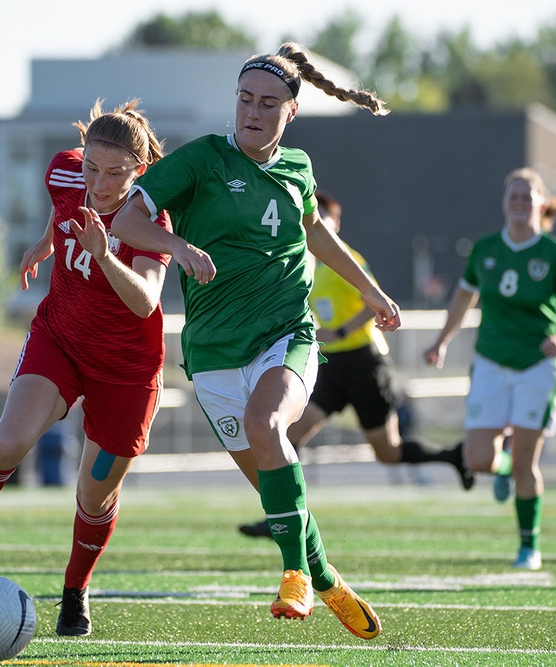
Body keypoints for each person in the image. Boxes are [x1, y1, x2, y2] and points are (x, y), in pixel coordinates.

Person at [111, 43, 398, 640]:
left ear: (291, 111)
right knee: (276, 487)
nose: (253, 112)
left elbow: (315, 233)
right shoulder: (200, 161)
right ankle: (325, 577)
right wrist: (178, 247)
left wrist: (370, 292)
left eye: (269, 103)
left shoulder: (298, 168)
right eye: (245, 100)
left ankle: (293, 571)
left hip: (285, 334)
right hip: (214, 355)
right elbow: (126, 223)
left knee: (270, 428)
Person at [0, 99, 172, 637]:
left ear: (139, 170)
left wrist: (104, 252)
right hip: (60, 339)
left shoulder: (149, 216)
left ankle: (75, 590)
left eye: (116, 173)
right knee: (6, 444)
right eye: (93, 167)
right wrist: (46, 241)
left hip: (126, 370)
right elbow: (61, 201)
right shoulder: (67, 170)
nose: (100, 182)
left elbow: (145, 303)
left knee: (95, 494)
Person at [238, 193, 473, 538]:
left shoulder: (344, 259)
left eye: (321, 220)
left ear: (333, 225)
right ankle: (282, 514)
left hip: (365, 362)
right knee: (289, 434)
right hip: (331, 366)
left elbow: (373, 296)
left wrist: (344, 329)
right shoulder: (304, 262)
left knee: (388, 452)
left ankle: (455, 456)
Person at [423, 167, 556, 571]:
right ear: (504, 203)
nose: (519, 202)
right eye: (513, 196)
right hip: (490, 363)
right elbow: (463, 300)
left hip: (538, 365)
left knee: (526, 465)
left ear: (542, 204)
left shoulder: (555, 253)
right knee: (478, 458)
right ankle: (502, 469)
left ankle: (528, 547)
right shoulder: (484, 250)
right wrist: (442, 340)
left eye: (527, 196)